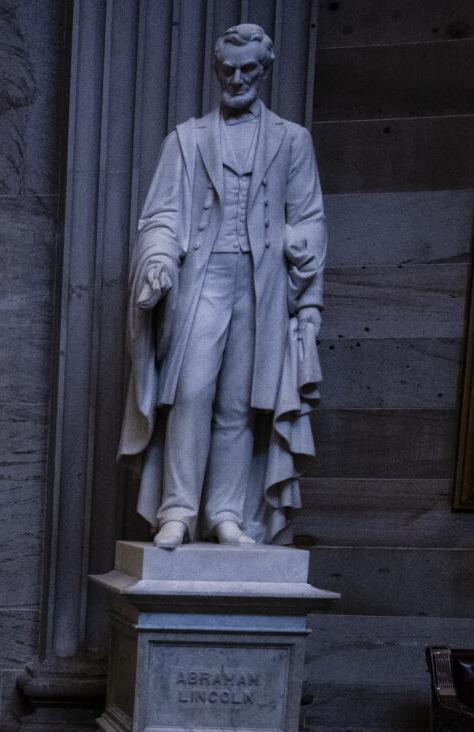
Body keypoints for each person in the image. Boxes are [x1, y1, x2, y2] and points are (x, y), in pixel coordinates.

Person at [120, 22, 325, 549]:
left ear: (265, 69)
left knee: (238, 404)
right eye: (228, 70)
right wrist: (159, 260)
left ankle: (225, 514)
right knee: (191, 392)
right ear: (217, 70)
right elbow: (161, 216)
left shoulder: (292, 140)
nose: (236, 79)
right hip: (201, 278)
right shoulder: (186, 140)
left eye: (248, 70)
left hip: (263, 285)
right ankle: (178, 510)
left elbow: (308, 217)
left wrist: (307, 300)